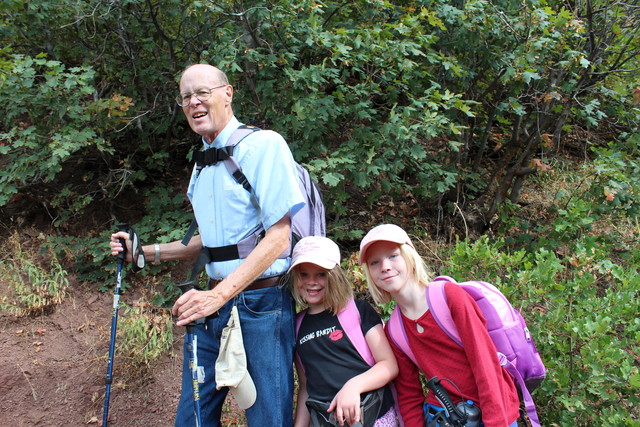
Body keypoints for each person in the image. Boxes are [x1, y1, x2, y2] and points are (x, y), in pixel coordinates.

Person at [109, 64, 305, 426]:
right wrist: (146, 252)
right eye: (186, 97)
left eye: (202, 92)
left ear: (227, 93)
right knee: (193, 419)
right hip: (211, 306)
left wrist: (218, 296)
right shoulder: (201, 162)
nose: (194, 102)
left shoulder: (264, 145)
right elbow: (218, 243)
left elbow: (278, 237)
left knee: (267, 419)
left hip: (261, 305)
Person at [358, 224, 520, 427]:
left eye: (393, 256)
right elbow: (409, 395)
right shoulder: (394, 330)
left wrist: (496, 423)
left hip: (495, 412)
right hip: (446, 417)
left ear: (410, 256)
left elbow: (485, 364)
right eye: (374, 262)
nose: (385, 266)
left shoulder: (450, 298)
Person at [289, 236, 399, 427]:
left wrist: (353, 387)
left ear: (335, 276)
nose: (311, 282)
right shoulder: (297, 325)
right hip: (326, 420)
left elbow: (388, 365)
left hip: (373, 416)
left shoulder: (357, 311)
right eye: (304, 274)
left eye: (321, 274)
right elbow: (306, 386)